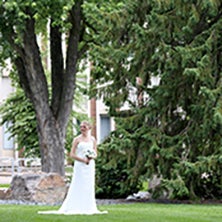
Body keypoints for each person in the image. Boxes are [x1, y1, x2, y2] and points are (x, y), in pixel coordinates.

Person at [38, 120, 107, 215]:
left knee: (88, 185)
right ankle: (75, 204)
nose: (82, 129)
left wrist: (91, 157)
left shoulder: (93, 139)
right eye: (81, 127)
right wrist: (83, 160)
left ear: (89, 128)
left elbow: (95, 152)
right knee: (78, 183)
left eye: (84, 127)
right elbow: (72, 154)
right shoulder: (77, 139)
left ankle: (88, 206)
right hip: (80, 165)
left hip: (90, 166)